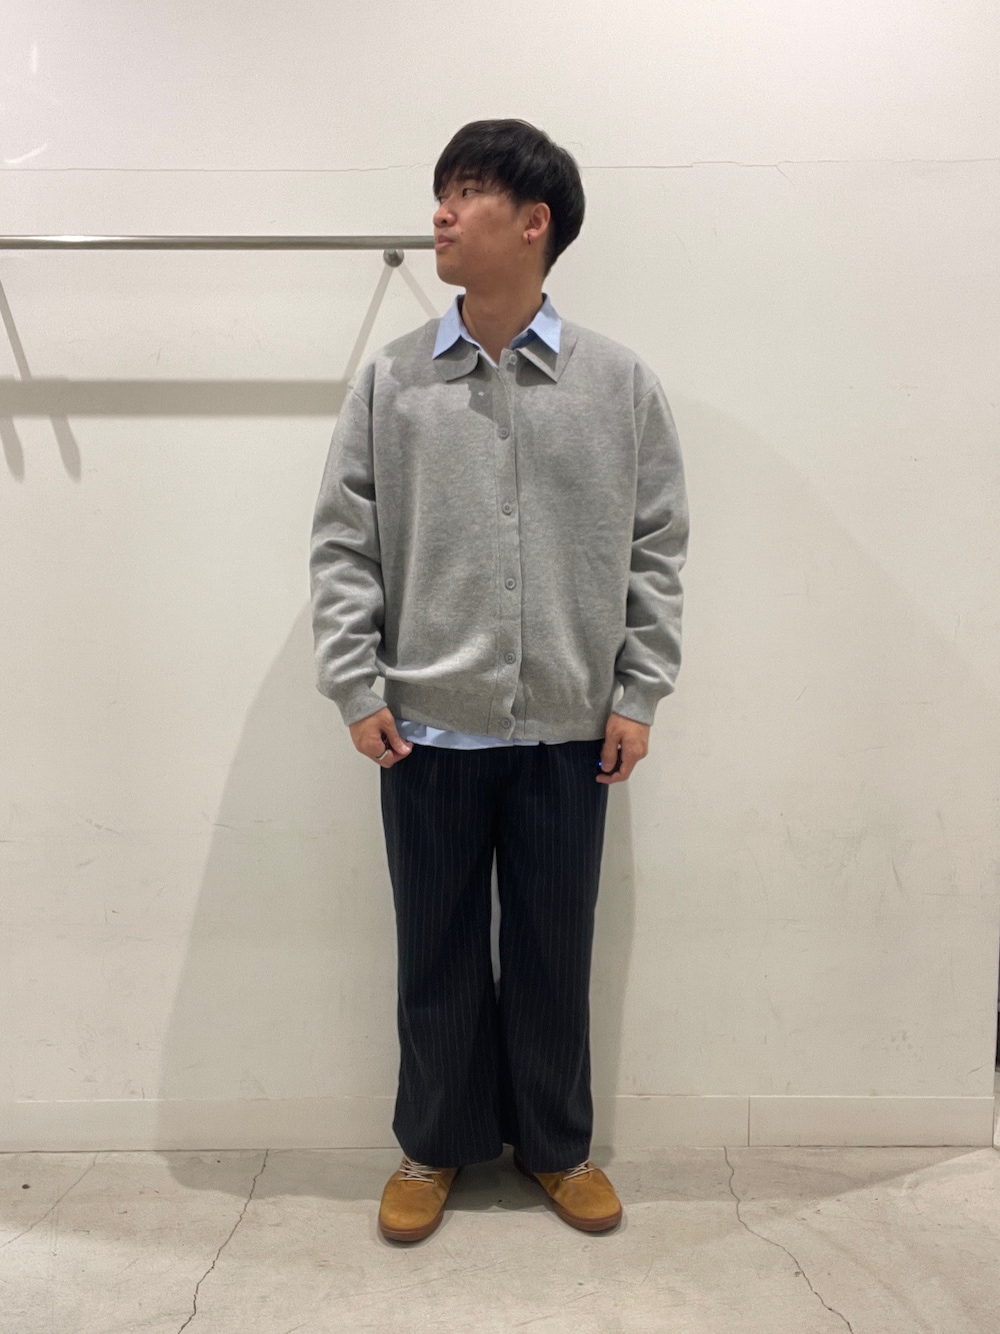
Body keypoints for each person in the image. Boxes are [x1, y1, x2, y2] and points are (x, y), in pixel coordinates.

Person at [309, 118, 689, 1243]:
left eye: (467, 191)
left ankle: (556, 1146)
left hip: (570, 732)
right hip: (425, 730)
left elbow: (657, 547)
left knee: (551, 953)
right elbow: (342, 544)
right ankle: (431, 1144)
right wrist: (356, 685)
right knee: (432, 953)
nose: (441, 211)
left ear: (535, 222)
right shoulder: (391, 384)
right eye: (441, 189)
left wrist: (638, 693)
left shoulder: (617, 383)